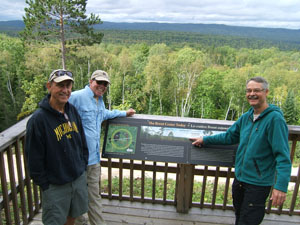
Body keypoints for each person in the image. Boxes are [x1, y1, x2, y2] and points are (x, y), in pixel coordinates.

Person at [190, 76, 291, 225]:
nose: (252, 94)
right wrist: (206, 139)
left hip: (258, 184)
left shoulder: (275, 120)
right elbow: (230, 136)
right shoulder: (247, 117)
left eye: (257, 90)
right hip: (240, 180)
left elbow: (283, 156)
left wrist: (281, 186)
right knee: (240, 216)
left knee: (249, 220)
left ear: (266, 92)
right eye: (249, 90)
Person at [69, 70, 135, 225]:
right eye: (99, 82)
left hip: (93, 159)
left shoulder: (99, 100)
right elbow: (59, 111)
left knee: (94, 195)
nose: (102, 86)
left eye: (105, 84)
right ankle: (80, 221)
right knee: (77, 193)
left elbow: (103, 114)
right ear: (91, 81)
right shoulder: (77, 97)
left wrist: (124, 113)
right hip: (78, 158)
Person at [25, 69, 89, 225]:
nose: (65, 90)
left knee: (72, 216)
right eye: (60, 85)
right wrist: (45, 185)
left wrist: (82, 166)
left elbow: (81, 142)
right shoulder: (38, 120)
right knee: (55, 221)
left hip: (77, 178)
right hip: (55, 185)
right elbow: (33, 158)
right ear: (49, 86)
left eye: (68, 86)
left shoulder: (71, 110)